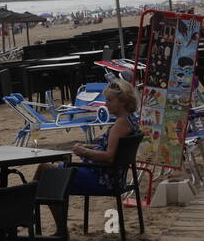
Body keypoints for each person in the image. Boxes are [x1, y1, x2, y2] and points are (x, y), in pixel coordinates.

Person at [33, 79, 139, 222]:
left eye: (109, 100)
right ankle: (30, 209)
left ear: (123, 101)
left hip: (101, 179)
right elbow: (111, 148)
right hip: (112, 177)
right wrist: (87, 147)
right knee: (45, 174)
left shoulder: (121, 124)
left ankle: (35, 214)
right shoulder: (130, 120)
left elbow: (109, 156)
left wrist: (84, 152)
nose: (106, 104)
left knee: (46, 171)